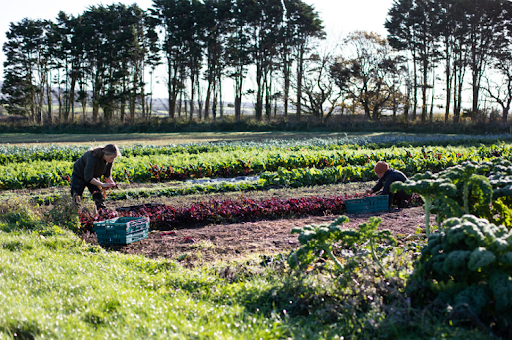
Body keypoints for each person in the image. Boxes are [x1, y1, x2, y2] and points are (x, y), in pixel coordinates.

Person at [71, 144, 121, 210]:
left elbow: (108, 174)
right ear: (105, 154)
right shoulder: (92, 157)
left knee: (98, 196)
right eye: (111, 158)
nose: (112, 160)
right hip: (79, 175)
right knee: (76, 197)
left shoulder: (109, 160)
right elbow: (88, 177)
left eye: (114, 158)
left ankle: (102, 212)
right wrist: (102, 184)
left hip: (93, 176)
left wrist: (112, 183)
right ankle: (76, 214)